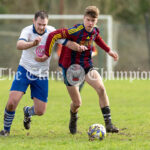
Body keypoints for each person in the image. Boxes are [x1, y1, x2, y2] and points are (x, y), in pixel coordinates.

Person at [0, 11, 87, 136]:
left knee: (40, 111)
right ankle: (6, 130)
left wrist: (79, 47)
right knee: (12, 102)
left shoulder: (52, 32)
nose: (41, 27)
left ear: (48, 23)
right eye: (39, 24)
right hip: (24, 70)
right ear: (34, 21)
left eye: (44, 24)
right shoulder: (27, 31)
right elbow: (19, 45)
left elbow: (67, 43)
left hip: (42, 74)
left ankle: (28, 112)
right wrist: (32, 43)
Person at [36, 6, 119, 134]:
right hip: (70, 67)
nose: (90, 23)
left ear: (96, 21)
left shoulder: (94, 31)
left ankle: (109, 124)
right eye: (88, 20)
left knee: (101, 89)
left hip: (86, 65)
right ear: (84, 19)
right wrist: (47, 53)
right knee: (77, 103)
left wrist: (109, 51)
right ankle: (73, 117)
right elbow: (53, 35)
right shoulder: (75, 30)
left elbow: (97, 38)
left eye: (93, 20)